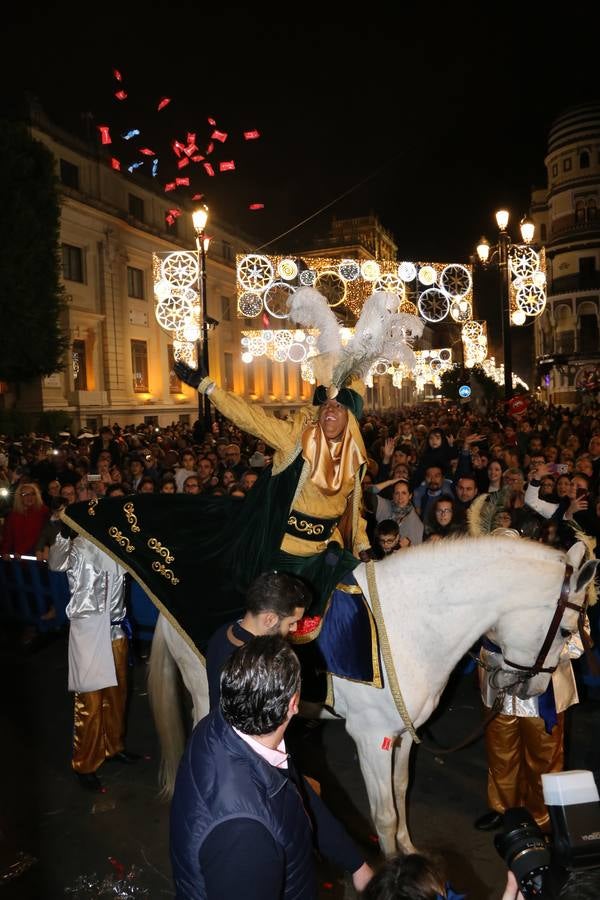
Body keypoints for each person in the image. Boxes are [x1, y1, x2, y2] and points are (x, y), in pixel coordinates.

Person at [170, 635, 374, 899]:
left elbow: (296, 793)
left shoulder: (222, 725)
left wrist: (356, 864)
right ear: (293, 705)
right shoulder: (245, 834)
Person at [49, 488, 139, 792]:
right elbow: (55, 564)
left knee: (117, 694)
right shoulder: (78, 546)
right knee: (89, 699)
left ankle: (114, 747)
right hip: (88, 630)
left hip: (116, 630)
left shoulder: (120, 546)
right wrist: (62, 533)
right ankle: (85, 762)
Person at [205, 571, 309, 709]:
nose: (294, 628)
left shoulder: (223, 632)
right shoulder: (261, 664)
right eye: (291, 623)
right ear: (270, 619)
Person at [1, 481, 49, 559]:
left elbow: (47, 535)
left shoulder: (43, 512)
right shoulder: (13, 515)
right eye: (25, 494)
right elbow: (8, 536)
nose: (29, 497)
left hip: (37, 556)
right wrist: (5, 552)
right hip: (17, 557)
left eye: (32, 494)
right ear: (19, 497)